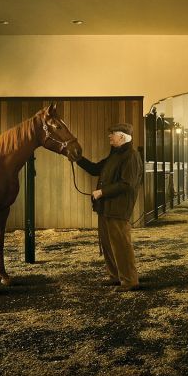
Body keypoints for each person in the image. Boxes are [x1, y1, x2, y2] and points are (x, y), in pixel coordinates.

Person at [76, 123, 143, 292]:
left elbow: (127, 184)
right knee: (108, 244)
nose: (109, 136)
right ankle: (115, 276)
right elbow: (95, 169)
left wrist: (102, 192)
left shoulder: (131, 156)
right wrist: (77, 158)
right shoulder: (115, 155)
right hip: (106, 208)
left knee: (121, 245)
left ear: (122, 137)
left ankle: (129, 280)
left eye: (112, 134)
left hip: (118, 208)